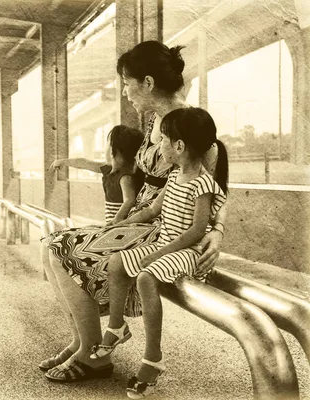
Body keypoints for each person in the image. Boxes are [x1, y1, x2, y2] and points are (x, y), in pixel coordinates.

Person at [40, 40, 228, 382]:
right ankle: (84, 340)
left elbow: (217, 191)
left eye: (128, 84)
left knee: (60, 249)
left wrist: (217, 232)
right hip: (139, 220)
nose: (126, 92)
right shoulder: (156, 124)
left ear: (148, 83)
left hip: (161, 227)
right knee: (51, 244)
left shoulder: (188, 126)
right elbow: (131, 174)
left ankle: (92, 354)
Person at [92, 108, 228, 398]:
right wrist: (121, 224)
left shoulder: (202, 184)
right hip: (165, 244)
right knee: (117, 261)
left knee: (144, 277)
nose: (159, 145)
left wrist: (158, 253)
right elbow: (153, 210)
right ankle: (116, 327)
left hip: (186, 251)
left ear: (179, 146)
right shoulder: (175, 174)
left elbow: (196, 230)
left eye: (163, 139)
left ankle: (153, 358)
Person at [49, 125, 145, 224]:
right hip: (113, 222)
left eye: (108, 145)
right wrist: (64, 162)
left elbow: (129, 200)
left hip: (122, 223)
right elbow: (84, 163)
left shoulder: (125, 177)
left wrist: (117, 219)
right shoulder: (108, 169)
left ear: (112, 152)